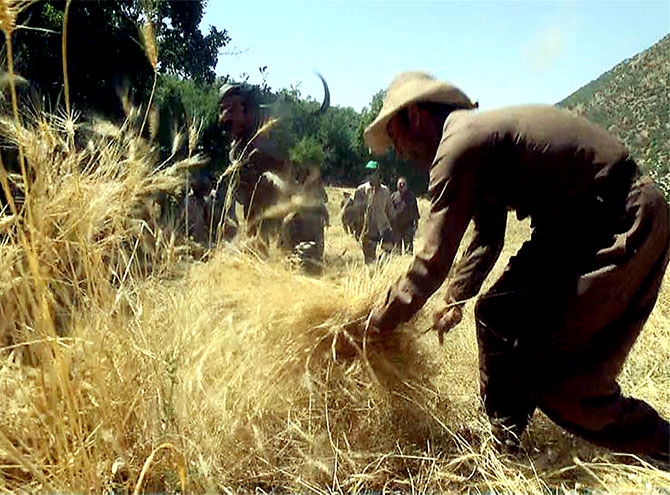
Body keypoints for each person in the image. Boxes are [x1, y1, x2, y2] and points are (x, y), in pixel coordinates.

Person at [364, 71, 670, 465]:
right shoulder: (476, 140)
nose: (399, 151)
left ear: (417, 116)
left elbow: (429, 262)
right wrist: (455, 297)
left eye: (395, 136)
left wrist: (374, 325)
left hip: (617, 218)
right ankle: (504, 438)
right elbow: (488, 235)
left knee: (552, 371)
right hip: (577, 225)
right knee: (497, 314)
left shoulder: (458, 144)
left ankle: (660, 445)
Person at [354, 161, 395, 264]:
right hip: (368, 229)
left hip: (384, 228)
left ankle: (380, 267)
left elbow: (390, 211)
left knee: (387, 252)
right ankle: (372, 275)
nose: (370, 175)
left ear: (378, 173)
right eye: (369, 172)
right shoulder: (361, 190)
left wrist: (394, 227)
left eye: (373, 172)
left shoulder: (385, 191)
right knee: (369, 260)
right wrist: (357, 229)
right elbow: (356, 212)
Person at [391, 176, 420, 254]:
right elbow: (389, 211)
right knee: (396, 250)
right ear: (397, 185)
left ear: (406, 185)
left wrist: (416, 225)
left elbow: (415, 211)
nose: (401, 185)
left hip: (408, 226)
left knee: (409, 250)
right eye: (400, 184)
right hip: (396, 227)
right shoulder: (393, 196)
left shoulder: (411, 197)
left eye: (403, 184)